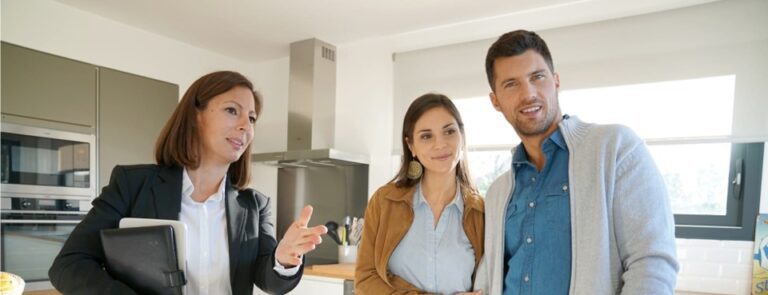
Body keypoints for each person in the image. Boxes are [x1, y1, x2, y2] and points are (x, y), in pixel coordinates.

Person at [48, 71, 327, 294]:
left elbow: (269, 281)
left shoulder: (255, 205)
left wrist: (284, 259)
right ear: (196, 116)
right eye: (232, 110)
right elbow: (69, 265)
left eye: (252, 118)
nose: (246, 125)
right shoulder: (132, 185)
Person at [472, 30, 678, 294]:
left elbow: (652, 263)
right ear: (495, 101)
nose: (529, 93)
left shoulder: (615, 148)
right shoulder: (499, 192)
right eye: (511, 84)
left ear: (556, 81)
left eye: (537, 77)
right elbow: (492, 274)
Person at [355, 93, 485, 294]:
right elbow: (364, 280)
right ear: (411, 146)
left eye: (449, 131)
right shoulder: (384, 201)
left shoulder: (482, 212)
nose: (440, 144)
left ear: (462, 135)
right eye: (426, 136)